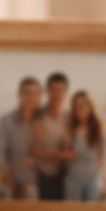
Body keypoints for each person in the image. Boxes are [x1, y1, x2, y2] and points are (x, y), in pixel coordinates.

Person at [0, 77, 41, 199]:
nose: (31, 98)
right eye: (28, 93)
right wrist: (7, 179)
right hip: (9, 184)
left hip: (32, 186)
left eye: (35, 94)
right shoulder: (6, 121)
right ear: (20, 95)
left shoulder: (42, 122)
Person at [32, 71, 70, 201]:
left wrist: (59, 155)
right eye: (53, 90)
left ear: (65, 93)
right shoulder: (38, 116)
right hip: (41, 173)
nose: (56, 95)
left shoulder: (69, 118)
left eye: (60, 91)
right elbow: (35, 148)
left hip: (63, 174)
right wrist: (51, 155)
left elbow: (69, 149)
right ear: (47, 91)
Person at [63, 91, 105, 201]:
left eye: (83, 105)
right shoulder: (70, 129)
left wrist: (95, 168)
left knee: (91, 210)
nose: (80, 109)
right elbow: (66, 154)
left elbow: (102, 153)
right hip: (73, 179)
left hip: (91, 179)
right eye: (76, 106)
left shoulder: (97, 128)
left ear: (90, 107)